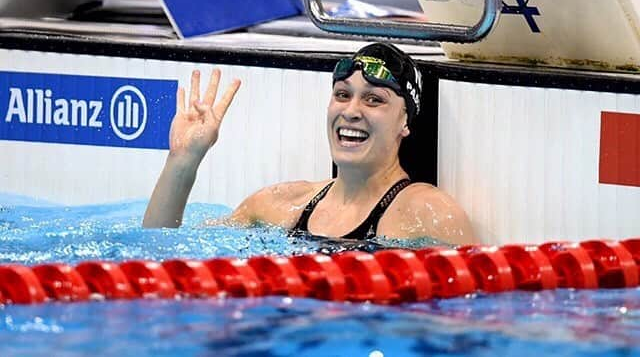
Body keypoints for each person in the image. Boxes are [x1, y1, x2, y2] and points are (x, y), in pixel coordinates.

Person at [143, 43, 475, 245]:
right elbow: (162, 253)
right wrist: (182, 161)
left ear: (405, 122)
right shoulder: (278, 204)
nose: (351, 111)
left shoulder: (429, 215)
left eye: (374, 100)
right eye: (342, 95)